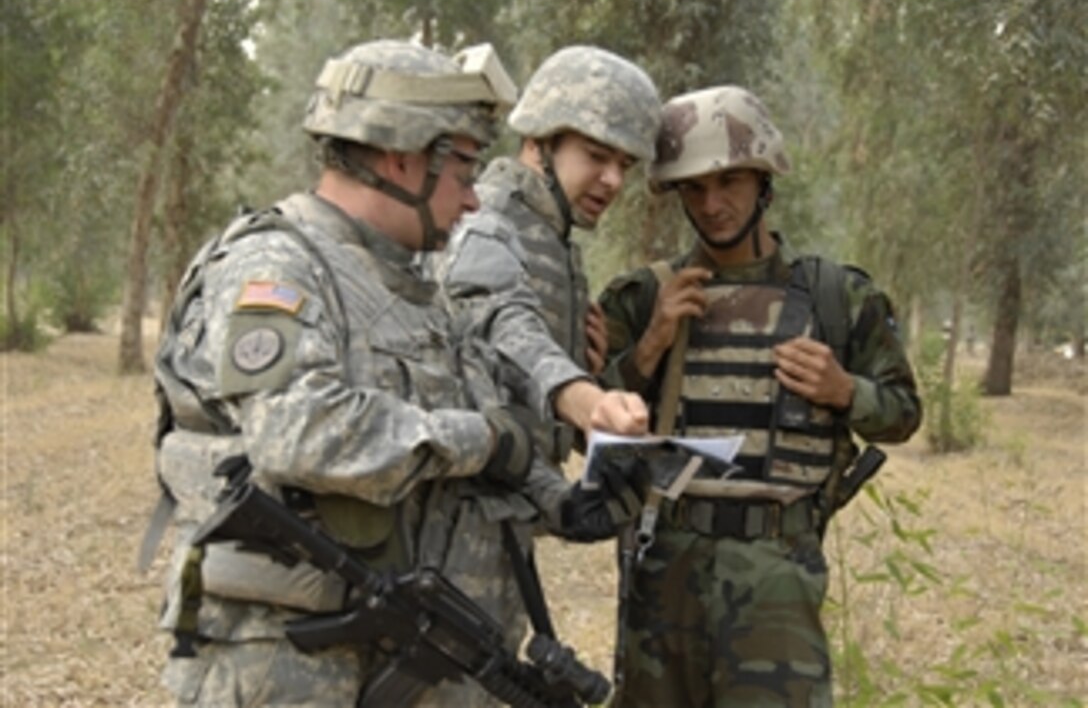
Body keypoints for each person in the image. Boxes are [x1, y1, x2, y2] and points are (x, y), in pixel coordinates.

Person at [150, 39, 648, 706]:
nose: (475, 202)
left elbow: (489, 437)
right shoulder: (273, 267)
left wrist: (564, 503)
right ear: (403, 156)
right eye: (465, 172)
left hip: (403, 659)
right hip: (292, 668)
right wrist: (486, 439)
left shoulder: (419, 291)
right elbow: (298, 429)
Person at [597, 85, 923, 707]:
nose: (712, 204)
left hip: (778, 577)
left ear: (764, 180)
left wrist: (845, 390)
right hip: (666, 566)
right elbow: (584, 420)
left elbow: (903, 414)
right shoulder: (641, 298)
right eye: (693, 188)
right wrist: (647, 351)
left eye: (729, 182)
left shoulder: (836, 298)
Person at [436, 44, 661, 491]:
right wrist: (584, 397)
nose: (614, 179)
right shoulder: (488, 220)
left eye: (625, 165)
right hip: (464, 506)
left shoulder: (553, 237)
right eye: (597, 156)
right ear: (539, 142)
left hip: (516, 499)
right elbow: (501, 326)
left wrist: (586, 368)